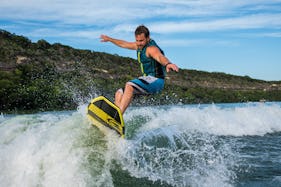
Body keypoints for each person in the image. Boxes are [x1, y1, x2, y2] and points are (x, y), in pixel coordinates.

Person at [100, 25, 179, 114]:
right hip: (147, 81)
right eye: (137, 40)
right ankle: (115, 119)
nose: (139, 43)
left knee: (129, 85)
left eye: (141, 40)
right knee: (119, 93)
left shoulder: (151, 49)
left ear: (148, 38)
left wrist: (168, 63)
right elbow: (124, 44)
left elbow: (160, 57)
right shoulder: (138, 46)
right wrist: (110, 39)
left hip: (156, 80)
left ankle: (117, 116)